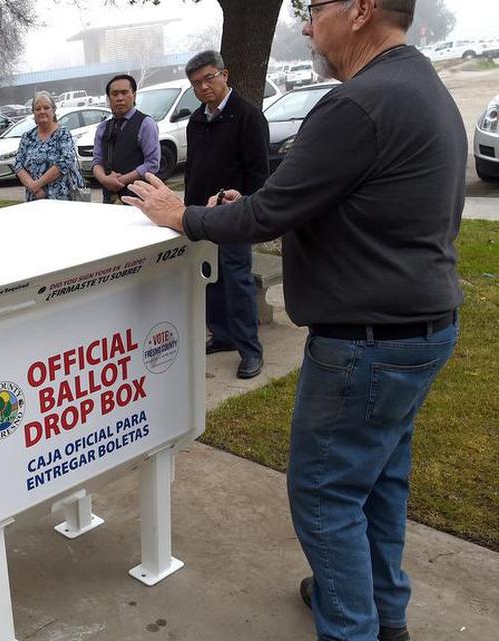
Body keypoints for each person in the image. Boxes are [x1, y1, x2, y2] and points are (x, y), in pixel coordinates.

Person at [121, 2, 463, 640]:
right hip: (419, 330)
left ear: (360, 10)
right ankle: (382, 616)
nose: (307, 26)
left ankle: (351, 625)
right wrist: (249, 201)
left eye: (315, 10)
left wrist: (181, 215)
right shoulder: (418, 85)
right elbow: (314, 197)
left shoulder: (357, 103)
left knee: (326, 498)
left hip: (366, 343)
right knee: (378, 484)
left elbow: (265, 216)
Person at [183, 50, 269, 380]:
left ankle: (250, 350)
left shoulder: (247, 116)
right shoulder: (196, 119)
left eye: (209, 78)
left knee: (238, 281)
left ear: (225, 75)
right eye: (196, 83)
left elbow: (259, 172)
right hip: (201, 216)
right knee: (210, 280)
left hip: (235, 214)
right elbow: (194, 169)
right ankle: (222, 335)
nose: (203, 87)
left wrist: (245, 203)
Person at [91, 74, 161, 204]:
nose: (120, 98)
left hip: (139, 198)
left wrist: (120, 181)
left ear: (134, 95)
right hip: (109, 199)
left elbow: (152, 164)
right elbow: (97, 161)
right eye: (115, 94)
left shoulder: (146, 124)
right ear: (109, 98)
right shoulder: (103, 127)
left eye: (124, 92)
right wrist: (104, 180)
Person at [13, 91, 84, 202]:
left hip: (62, 198)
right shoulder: (27, 137)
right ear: (33, 112)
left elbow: (65, 161)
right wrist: (33, 188)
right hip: (35, 197)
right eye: (38, 109)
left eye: (46, 108)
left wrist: (38, 184)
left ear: (54, 110)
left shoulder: (63, 134)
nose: (42, 111)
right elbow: (18, 164)